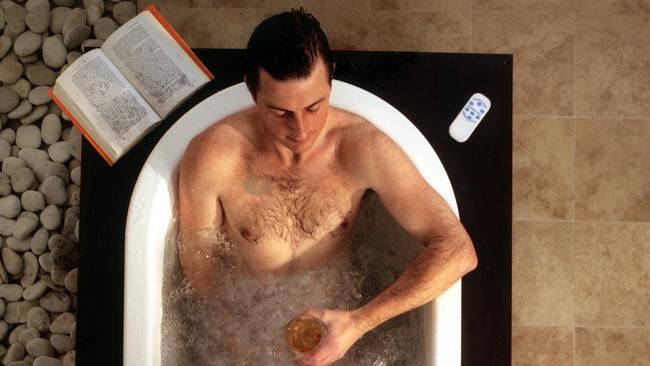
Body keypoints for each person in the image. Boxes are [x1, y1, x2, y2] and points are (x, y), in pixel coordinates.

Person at [177, 8, 477, 366]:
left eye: (314, 106)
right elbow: (199, 258)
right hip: (242, 332)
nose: (301, 130)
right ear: (250, 89)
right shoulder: (214, 156)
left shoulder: (363, 149)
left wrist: (358, 323)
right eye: (280, 112)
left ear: (331, 77)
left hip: (341, 333)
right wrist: (234, 335)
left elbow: (457, 250)